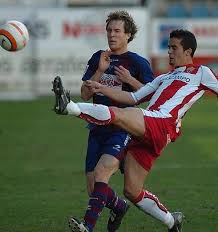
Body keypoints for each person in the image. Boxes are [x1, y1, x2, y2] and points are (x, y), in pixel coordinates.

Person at [53, 29, 218, 232]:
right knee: (132, 190)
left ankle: (69, 107)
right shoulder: (163, 77)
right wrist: (101, 88)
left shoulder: (201, 72)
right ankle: (171, 222)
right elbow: (133, 97)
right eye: (168, 47)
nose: (169, 52)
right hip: (149, 128)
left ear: (188, 51)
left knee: (122, 114)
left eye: (174, 48)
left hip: (163, 123)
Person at [61, 10, 154, 232]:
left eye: (117, 31)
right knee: (94, 187)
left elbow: (152, 96)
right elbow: (84, 95)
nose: (112, 35)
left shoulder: (138, 63)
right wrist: (99, 71)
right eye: (109, 30)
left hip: (122, 128)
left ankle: (87, 226)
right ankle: (119, 206)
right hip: (97, 127)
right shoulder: (98, 58)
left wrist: (130, 80)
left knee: (103, 172)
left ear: (128, 35)